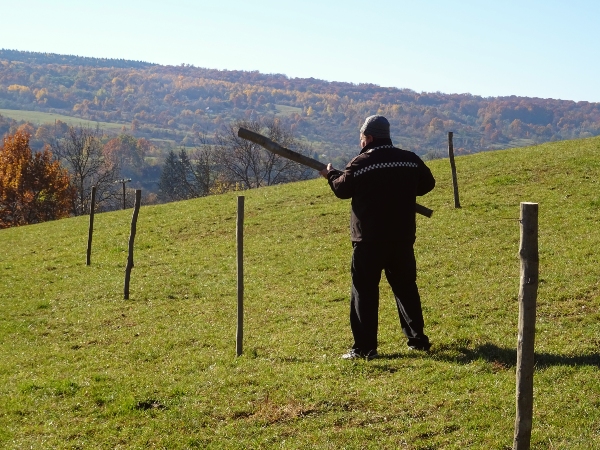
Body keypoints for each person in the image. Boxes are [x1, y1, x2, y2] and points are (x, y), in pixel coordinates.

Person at [319, 115, 436, 360]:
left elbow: (342, 189)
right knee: (406, 288)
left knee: (365, 291)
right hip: (402, 237)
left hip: (368, 240)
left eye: (362, 138)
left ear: (369, 138)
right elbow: (428, 184)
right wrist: (401, 191)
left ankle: (365, 348)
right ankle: (417, 340)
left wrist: (330, 175)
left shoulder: (361, 163)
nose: (361, 142)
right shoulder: (409, 160)